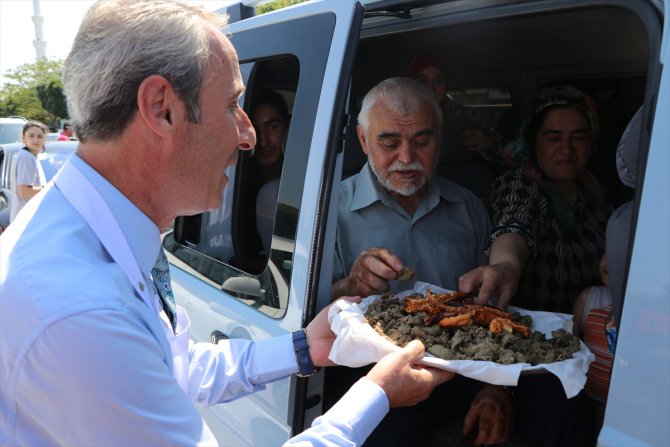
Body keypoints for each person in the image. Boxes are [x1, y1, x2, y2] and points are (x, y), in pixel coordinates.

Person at [0, 2, 452, 446]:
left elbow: (176, 369)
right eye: (233, 104)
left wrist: (306, 346)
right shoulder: (82, 311)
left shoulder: (106, 232)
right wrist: (375, 397)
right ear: (162, 109)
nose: (249, 134)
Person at [327, 76, 513, 447]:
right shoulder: (329, 211)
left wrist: (498, 391)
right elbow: (303, 317)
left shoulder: (469, 208)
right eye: (389, 142)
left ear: (439, 141)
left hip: (463, 374)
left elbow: (492, 311)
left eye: (422, 141)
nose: (407, 158)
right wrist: (349, 287)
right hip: (372, 385)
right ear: (363, 141)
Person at [460, 85, 612, 314]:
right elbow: (513, 226)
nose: (567, 148)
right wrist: (506, 265)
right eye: (553, 138)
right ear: (533, 141)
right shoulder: (519, 184)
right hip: (539, 336)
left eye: (578, 137)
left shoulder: (595, 192)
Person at [405, 52, 501, 199]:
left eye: (439, 81)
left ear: (446, 86)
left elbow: (505, 151)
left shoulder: (463, 114)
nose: (431, 88)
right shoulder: (398, 117)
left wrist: (487, 142)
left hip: (467, 186)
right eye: (422, 81)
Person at [249, 87, 289, 257]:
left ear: (287, 128)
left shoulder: (305, 180)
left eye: (272, 126)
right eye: (255, 129)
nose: (263, 140)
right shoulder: (236, 187)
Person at [8, 120, 48, 223]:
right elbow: (24, 191)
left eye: (40, 136)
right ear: (23, 137)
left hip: (30, 218)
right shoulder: (25, 157)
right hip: (25, 220)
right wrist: (50, 189)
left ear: (44, 139)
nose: (35, 140)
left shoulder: (31, 156)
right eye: (31, 135)